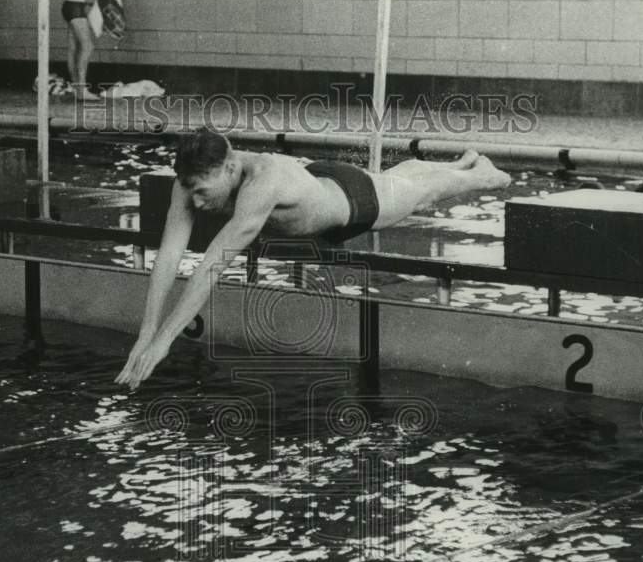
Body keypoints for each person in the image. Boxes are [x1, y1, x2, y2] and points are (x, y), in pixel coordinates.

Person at [116, 127, 512, 389]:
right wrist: (145, 333)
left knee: (422, 193)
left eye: (203, 191)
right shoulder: (188, 183)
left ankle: (482, 173)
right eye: (192, 192)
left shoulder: (261, 185)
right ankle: (458, 162)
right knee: (399, 179)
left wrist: (164, 342)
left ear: (231, 166)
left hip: (351, 205)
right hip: (318, 179)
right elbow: (168, 256)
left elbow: (208, 269)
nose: (197, 202)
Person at [63, 0, 117, 100]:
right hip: (75, 8)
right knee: (87, 46)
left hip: (71, 5)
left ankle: (77, 89)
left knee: (73, 49)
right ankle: (82, 91)